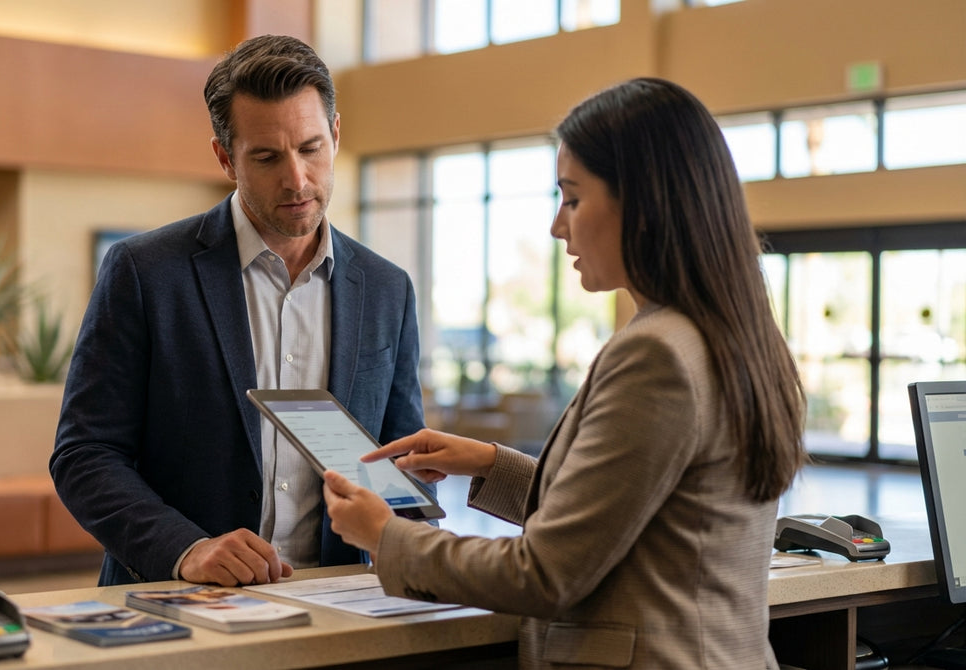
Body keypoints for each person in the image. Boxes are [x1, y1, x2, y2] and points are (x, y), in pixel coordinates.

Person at [323, 77, 807, 669]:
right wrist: (488, 463)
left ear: (645, 203)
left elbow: (546, 573)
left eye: (573, 198)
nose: (558, 226)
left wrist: (384, 534)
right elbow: (630, 513)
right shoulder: (737, 336)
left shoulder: (656, 355)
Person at [51, 34, 425, 588]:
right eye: (268, 157)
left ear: (337, 135)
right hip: (181, 600)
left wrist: (414, 547)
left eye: (311, 148)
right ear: (225, 157)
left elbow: (401, 460)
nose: (297, 179)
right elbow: (85, 454)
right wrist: (186, 548)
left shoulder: (386, 288)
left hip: (344, 605)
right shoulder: (144, 271)